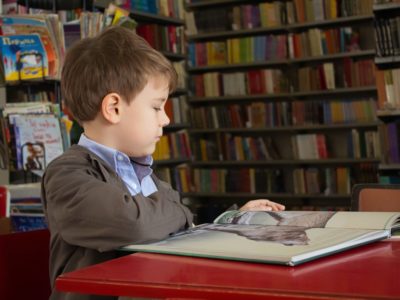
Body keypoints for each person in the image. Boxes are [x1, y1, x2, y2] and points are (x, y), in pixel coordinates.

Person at [41, 26, 285, 300]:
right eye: (157, 107)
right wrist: (178, 211)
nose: (166, 119)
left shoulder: (140, 170)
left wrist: (231, 220)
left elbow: (175, 227)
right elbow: (135, 225)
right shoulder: (67, 175)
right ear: (114, 108)